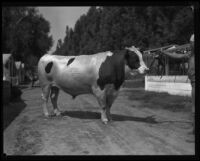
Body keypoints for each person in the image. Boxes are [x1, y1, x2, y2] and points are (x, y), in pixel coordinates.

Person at [161, 34, 195, 134]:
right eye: (191, 43)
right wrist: (165, 53)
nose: (190, 45)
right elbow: (177, 56)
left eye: (192, 43)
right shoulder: (190, 54)